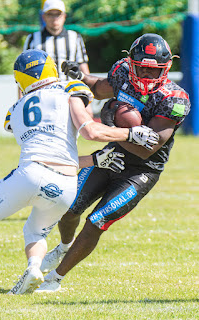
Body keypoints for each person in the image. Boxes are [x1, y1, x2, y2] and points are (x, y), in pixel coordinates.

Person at [0, 48, 157, 295]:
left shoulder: (15, 111)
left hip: (30, 173)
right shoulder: (70, 90)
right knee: (34, 230)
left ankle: (36, 266)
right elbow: (85, 135)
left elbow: (86, 135)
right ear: (52, 69)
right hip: (65, 185)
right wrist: (125, 137)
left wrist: (129, 133)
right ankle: (34, 267)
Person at [35, 33, 191, 293]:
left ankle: (55, 279)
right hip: (112, 155)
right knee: (70, 207)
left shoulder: (175, 99)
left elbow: (147, 150)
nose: (145, 75)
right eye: (141, 67)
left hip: (142, 171)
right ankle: (63, 247)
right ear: (130, 62)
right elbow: (99, 90)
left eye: (154, 71)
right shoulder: (123, 73)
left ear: (166, 69)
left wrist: (108, 122)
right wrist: (81, 77)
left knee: (97, 221)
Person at [21, 0, 92, 115]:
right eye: (50, 14)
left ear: (64, 16)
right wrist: (21, 100)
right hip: (43, 95)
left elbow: (84, 69)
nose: (54, 18)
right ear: (44, 17)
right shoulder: (33, 39)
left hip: (72, 93)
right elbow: (24, 72)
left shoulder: (75, 37)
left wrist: (89, 97)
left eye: (57, 14)